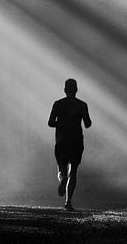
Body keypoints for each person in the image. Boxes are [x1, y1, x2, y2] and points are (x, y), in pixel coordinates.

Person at [48, 78, 91, 211]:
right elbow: (88, 123)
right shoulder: (82, 105)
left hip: (61, 141)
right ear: (76, 90)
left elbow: (50, 122)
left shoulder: (58, 104)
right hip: (76, 142)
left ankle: (62, 179)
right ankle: (68, 202)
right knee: (73, 171)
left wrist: (61, 124)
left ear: (65, 90)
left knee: (62, 169)